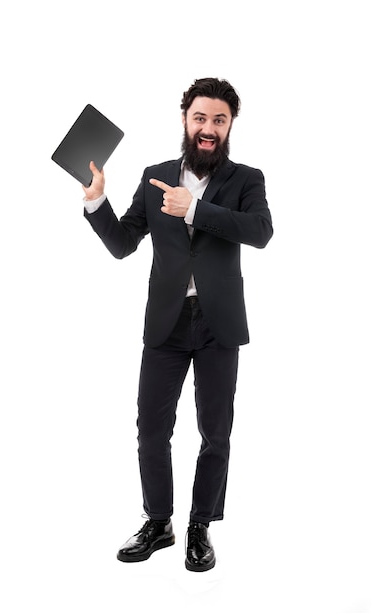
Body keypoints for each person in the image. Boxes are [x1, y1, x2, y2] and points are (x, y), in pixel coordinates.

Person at [82, 77, 273, 572]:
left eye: (219, 119)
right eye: (200, 118)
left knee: (215, 432)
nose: (208, 128)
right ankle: (159, 521)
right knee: (151, 429)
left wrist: (198, 210)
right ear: (185, 120)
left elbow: (260, 232)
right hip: (165, 324)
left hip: (218, 325)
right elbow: (124, 244)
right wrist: (96, 202)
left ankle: (199, 527)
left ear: (230, 125)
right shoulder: (155, 175)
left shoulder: (246, 179)